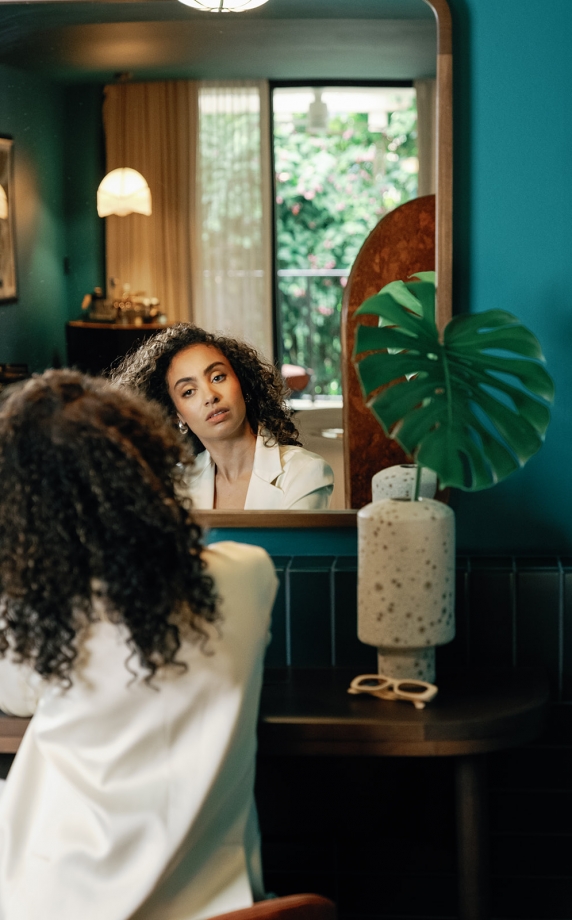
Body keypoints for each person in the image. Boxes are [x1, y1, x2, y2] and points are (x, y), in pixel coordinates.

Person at [0, 369, 278, 920]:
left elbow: (16, 698)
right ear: (148, 465)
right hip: (216, 903)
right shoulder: (250, 574)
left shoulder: (38, 610)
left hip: (53, 899)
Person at [111, 324, 334, 510]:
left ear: (242, 383)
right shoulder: (175, 487)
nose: (210, 396)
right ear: (177, 415)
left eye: (218, 377)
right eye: (188, 391)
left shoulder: (304, 473)